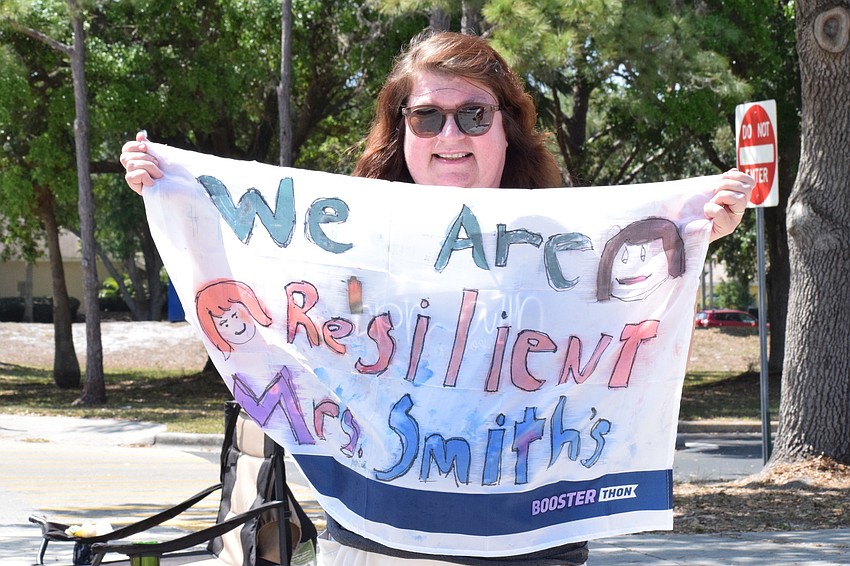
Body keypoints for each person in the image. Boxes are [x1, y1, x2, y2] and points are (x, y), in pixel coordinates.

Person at [121, 29, 754, 566]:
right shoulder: (338, 245)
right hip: (378, 542)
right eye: (427, 116)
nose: (451, 132)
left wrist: (694, 240)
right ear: (404, 132)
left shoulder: (574, 247)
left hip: (530, 545)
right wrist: (178, 196)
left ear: (507, 129)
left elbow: (634, 350)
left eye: (474, 114)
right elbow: (290, 331)